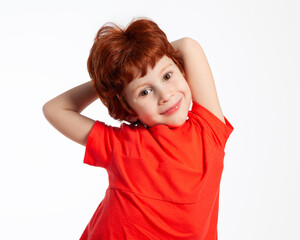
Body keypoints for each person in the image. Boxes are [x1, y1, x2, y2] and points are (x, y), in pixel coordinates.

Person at [43, 17, 234, 240]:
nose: (165, 95)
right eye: (144, 92)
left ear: (179, 68)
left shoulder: (209, 129)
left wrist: (139, 62)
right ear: (129, 109)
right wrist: (112, 82)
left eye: (167, 76)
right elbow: (54, 109)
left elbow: (188, 45)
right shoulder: (122, 146)